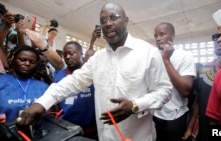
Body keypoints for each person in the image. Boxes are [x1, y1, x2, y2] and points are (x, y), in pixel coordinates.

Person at [16, 3, 173, 141]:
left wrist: (135, 105)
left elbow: (164, 91)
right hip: (104, 136)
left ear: (126, 20)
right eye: (103, 21)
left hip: (138, 137)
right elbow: (72, 82)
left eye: (114, 18)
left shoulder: (148, 52)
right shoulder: (98, 58)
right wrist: (41, 103)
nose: (108, 24)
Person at [182, 20, 221, 140]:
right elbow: (198, 101)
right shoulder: (204, 70)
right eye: (216, 37)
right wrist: (190, 128)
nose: (219, 40)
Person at [153, 22, 196, 141]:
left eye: (162, 34)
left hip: (175, 117)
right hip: (154, 115)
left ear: (173, 35)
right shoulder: (152, 56)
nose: (158, 38)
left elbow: (186, 90)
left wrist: (166, 60)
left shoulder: (185, 55)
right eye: (155, 36)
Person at [54, 41, 97, 140]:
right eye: (65, 55)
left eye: (71, 53)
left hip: (91, 129)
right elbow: (56, 100)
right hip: (66, 129)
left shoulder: (92, 73)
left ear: (81, 54)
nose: (67, 57)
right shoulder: (59, 75)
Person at [0, 45, 49, 122]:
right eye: (22, 60)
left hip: (37, 132)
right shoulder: (1, 81)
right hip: (5, 132)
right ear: (12, 60)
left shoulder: (43, 87)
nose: (27, 64)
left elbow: (50, 113)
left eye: (32, 62)